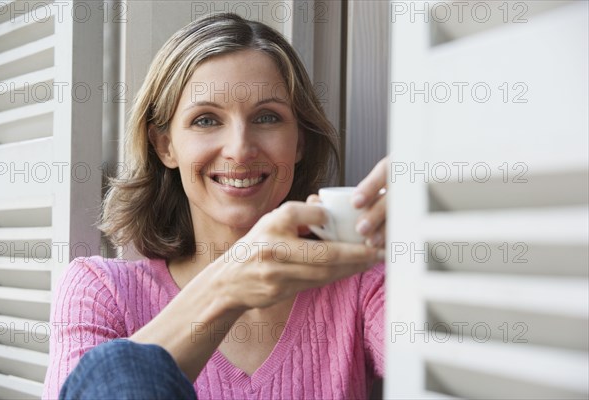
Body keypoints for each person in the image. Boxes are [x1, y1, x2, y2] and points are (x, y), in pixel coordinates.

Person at [43, 13, 388, 400]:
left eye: (268, 117)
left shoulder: (359, 282)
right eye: (206, 120)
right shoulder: (100, 292)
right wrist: (226, 290)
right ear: (164, 145)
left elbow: (455, 359)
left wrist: (438, 220)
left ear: (300, 142)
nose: (240, 148)